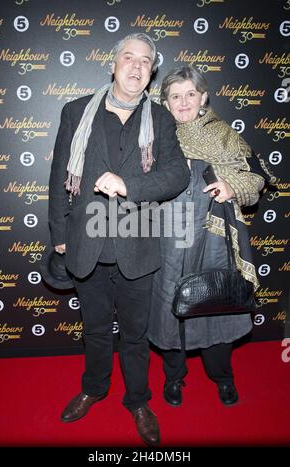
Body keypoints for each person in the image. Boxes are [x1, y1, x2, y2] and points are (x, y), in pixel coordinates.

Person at [48, 34, 189, 446]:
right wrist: (59, 233)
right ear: (113, 64)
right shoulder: (76, 112)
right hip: (85, 242)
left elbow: (177, 174)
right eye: (128, 57)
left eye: (145, 61)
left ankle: (138, 401)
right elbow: (59, 176)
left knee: (134, 333)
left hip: (137, 245)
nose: (136, 66)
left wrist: (129, 184)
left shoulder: (160, 119)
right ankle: (94, 387)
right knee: (93, 328)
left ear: (152, 71)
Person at [148, 66, 275, 408]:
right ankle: (174, 377)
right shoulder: (155, 135)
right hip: (167, 238)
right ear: (166, 102)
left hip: (213, 239)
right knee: (169, 307)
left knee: (215, 306)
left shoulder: (224, 136)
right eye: (175, 96)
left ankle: (222, 378)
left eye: (190, 93)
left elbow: (257, 176)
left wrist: (232, 185)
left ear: (203, 97)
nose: (184, 101)